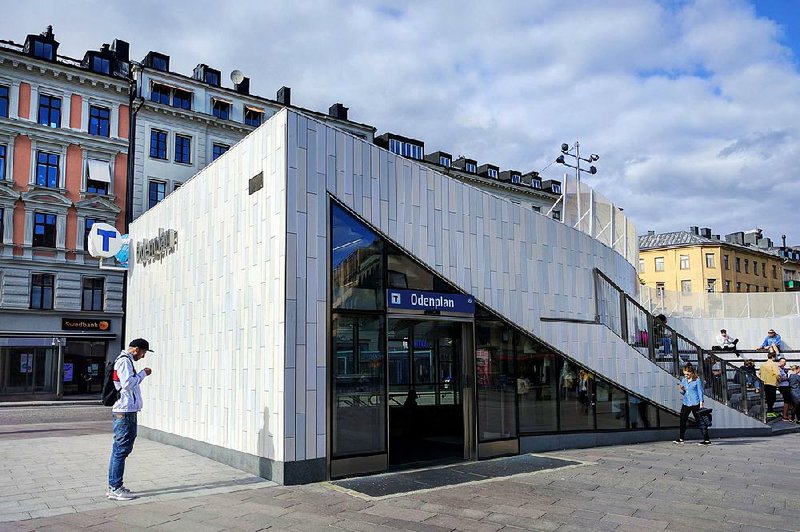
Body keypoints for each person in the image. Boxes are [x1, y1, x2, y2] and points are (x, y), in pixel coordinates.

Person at [107, 338, 153, 501]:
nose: (143, 356)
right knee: (121, 449)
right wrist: (143, 374)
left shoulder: (124, 361)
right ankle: (115, 488)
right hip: (124, 411)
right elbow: (127, 384)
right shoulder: (124, 362)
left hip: (126, 410)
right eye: (143, 352)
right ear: (136, 349)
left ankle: (115, 486)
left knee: (121, 449)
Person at [674, 363, 710, 445]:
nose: (686, 376)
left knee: (700, 421)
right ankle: (681, 438)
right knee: (682, 420)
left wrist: (701, 404)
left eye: (687, 374)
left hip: (695, 403)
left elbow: (700, 392)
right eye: (684, 374)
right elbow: (684, 393)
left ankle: (706, 439)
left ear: (692, 372)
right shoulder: (683, 380)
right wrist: (681, 389)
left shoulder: (697, 380)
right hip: (686, 402)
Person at [758, 353, 780, 418]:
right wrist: (779, 380)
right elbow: (777, 374)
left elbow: (759, 373)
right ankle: (770, 411)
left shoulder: (762, 364)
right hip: (772, 383)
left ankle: (770, 410)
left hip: (764, 383)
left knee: (768, 397)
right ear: (773, 357)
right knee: (772, 398)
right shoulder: (774, 364)